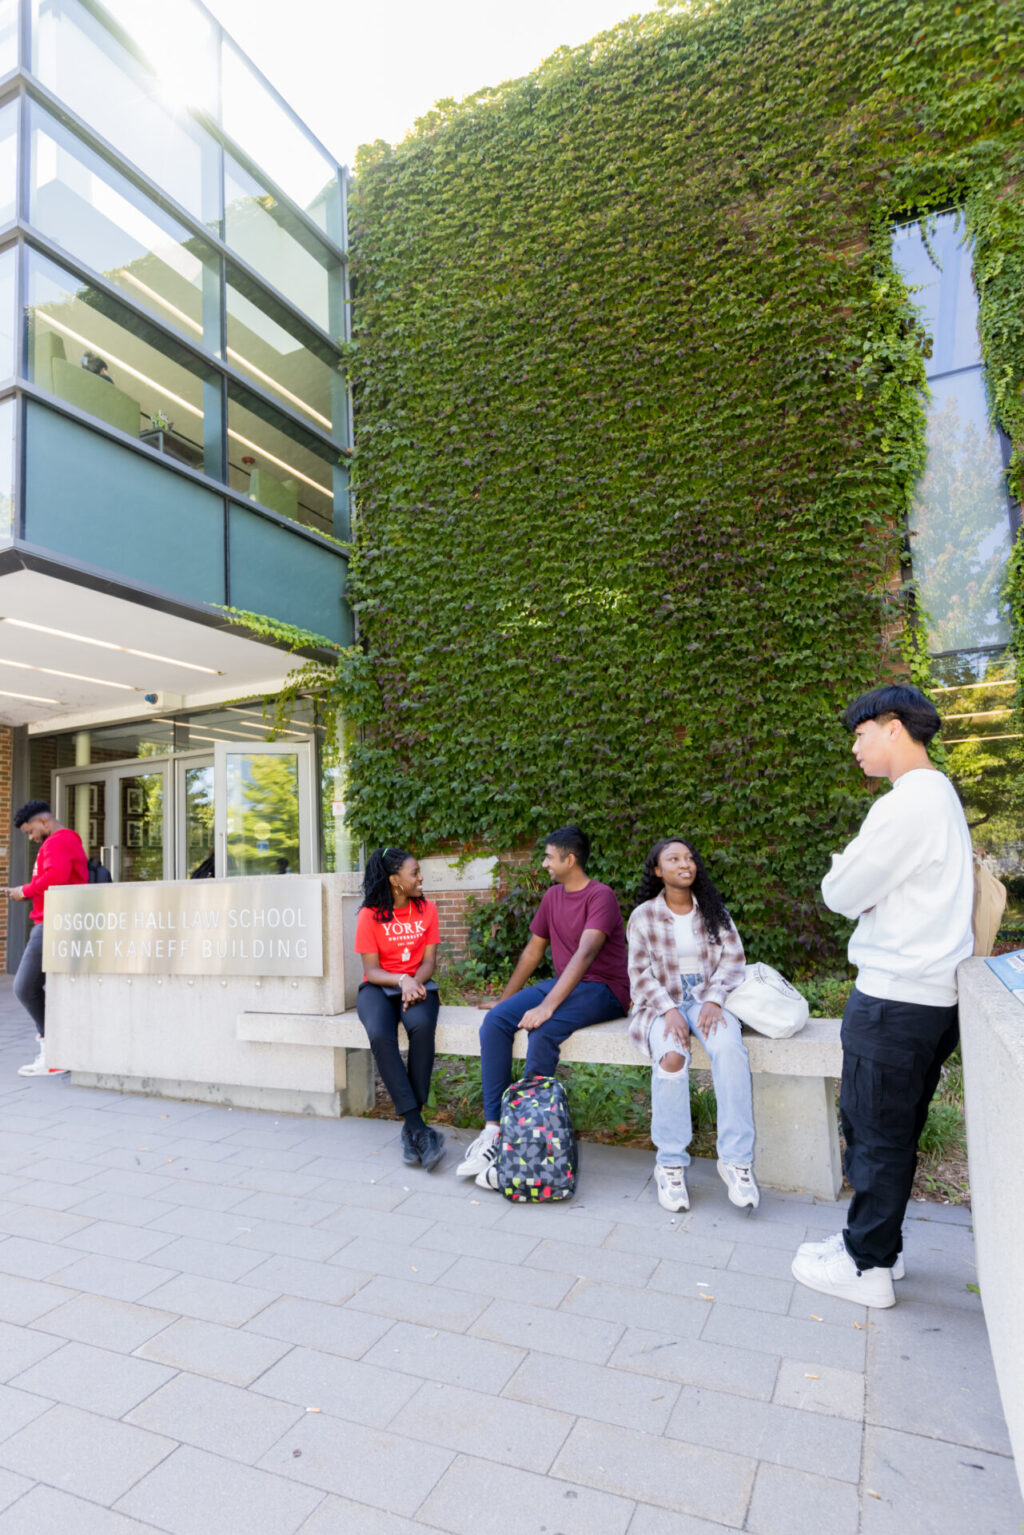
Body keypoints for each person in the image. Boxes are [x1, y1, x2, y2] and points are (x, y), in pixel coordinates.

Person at [791, 684, 973, 1309]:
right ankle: (875, 1250)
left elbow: (840, 892)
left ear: (893, 726)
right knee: (892, 1131)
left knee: (873, 1134)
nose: (855, 746)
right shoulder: (941, 795)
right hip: (929, 1001)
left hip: (894, 1000)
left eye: (860, 733)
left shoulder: (907, 803)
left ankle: (866, 1268)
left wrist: (849, 874)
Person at [457, 825, 630, 1189]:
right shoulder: (552, 897)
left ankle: (525, 1141)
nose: (544, 863)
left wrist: (548, 1007)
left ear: (570, 859)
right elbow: (533, 951)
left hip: (605, 990)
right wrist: (506, 999)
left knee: (543, 1030)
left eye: (550, 856)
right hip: (565, 984)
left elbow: (585, 955)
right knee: (496, 1021)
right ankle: (495, 1130)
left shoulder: (601, 896)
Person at [627, 837, 759, 1213]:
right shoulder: (644, 916)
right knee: (671, 1056)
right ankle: (669, 1163)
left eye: (689, 858)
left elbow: (734, 960)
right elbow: (638, 974)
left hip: (707, 999)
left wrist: (715, 998)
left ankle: (736, 1161)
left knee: (730, 1050)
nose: (684, 863)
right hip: (658, 1002)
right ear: (657, 870)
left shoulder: (713, 911)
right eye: (673, 859)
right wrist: (669, 1009)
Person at [354, 847, 445, 1170]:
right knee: (380, 1033)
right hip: (379, 987)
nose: (420, 878)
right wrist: (401, 980)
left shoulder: (427, 909)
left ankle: (412, 1128)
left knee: (421, 1026)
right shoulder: (369, 915)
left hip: (418, 984)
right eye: (414, 873)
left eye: (419, 872)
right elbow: (372, 969)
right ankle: (418, 1127)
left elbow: (430, 961)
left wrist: (414, 984)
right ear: (395, 880)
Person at [6, 800, 88, 1076]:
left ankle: (52, 1054)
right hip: (56, 920)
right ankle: (57, 1052)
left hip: (52, 921)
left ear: (43, 822)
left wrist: (24, 891)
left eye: (31, 831)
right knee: (48, 988)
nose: (31, 838)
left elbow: (57, 876)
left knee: (24, 986)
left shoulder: (57, 842)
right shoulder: (65, 840)